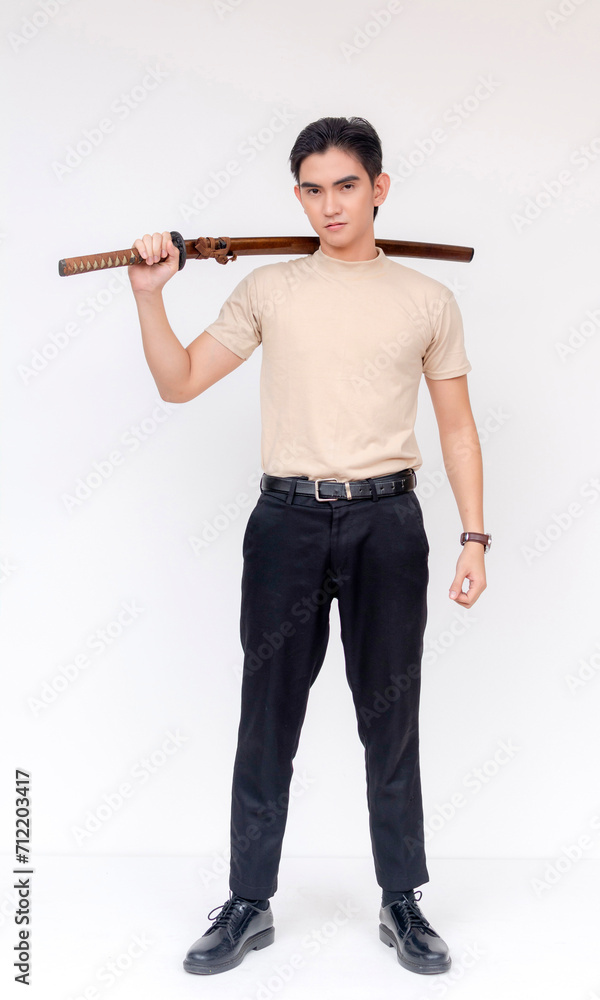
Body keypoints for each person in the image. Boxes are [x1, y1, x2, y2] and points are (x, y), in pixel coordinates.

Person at [129, 116, 489, 978]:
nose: (329, 204)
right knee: (267, 719)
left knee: (388, 720)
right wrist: (150, 295)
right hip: (287, 524)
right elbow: (179, 383)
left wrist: (474, 534)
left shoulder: (426, 300)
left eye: (346, 186)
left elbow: (459, 430)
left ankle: (401, 901)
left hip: (388, 525)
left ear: (378, 188)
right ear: (297, 195)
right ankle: (248, 902)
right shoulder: (269, 290)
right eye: (313, 189)